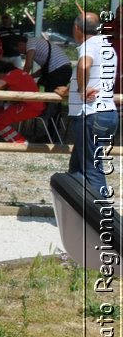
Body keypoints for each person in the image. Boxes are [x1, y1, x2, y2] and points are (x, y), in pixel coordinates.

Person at [63, 11, 118, 200]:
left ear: (77, 29)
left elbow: (84, 66)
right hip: (107, 113)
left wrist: (80, 89)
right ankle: (76, 210)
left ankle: (102, 219)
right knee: (77, 168)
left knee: (92, 170)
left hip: (90, 114)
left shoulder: (88, 45)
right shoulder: (107, 46)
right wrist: (72, 88)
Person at [0, 58, 41, 144]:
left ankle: (20, 142)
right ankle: (11, 137)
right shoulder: (18, 72)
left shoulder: (12, 74)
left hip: (30, 107)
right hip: (32, 104)